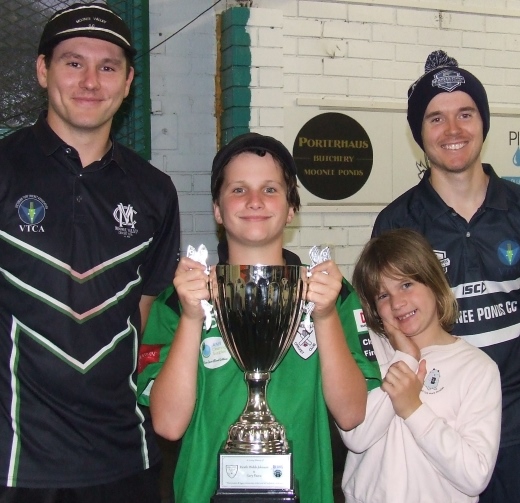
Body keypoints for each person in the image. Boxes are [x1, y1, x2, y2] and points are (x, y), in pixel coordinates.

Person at [137, 132, 382, 503]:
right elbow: (169, 426)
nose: (254, 201)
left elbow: (350, 414)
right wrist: (191, 319)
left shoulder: (333, 295)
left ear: (291, 208)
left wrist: (326, 315)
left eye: (270, 190)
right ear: (217, 209)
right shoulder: (178, 301)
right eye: (238, 190)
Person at [0, 3, 180, 503]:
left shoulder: (155, 192)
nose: (90, 82)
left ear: (128, 84)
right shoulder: (6, 169)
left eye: (108, 67)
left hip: (125, 460)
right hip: (16, 463)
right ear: (42, 70)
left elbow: (135, 321)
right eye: (73, 62)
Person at [372, 49, 520, 502]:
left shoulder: (517, 207)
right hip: (437, 431)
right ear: (419, 132)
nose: (453, 130)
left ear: (484, 122)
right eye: (436, 118)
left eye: (465, 114)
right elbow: (385, 331)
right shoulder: (397, 223)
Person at [339, 228, 501, 502]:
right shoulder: (370, 352)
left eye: (406, 285)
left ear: (433, 282)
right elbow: (356, 435)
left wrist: (413, 409)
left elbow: (475, 476)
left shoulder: (478, 368)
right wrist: (406, 358)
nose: (398, 303)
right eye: (382, 296)